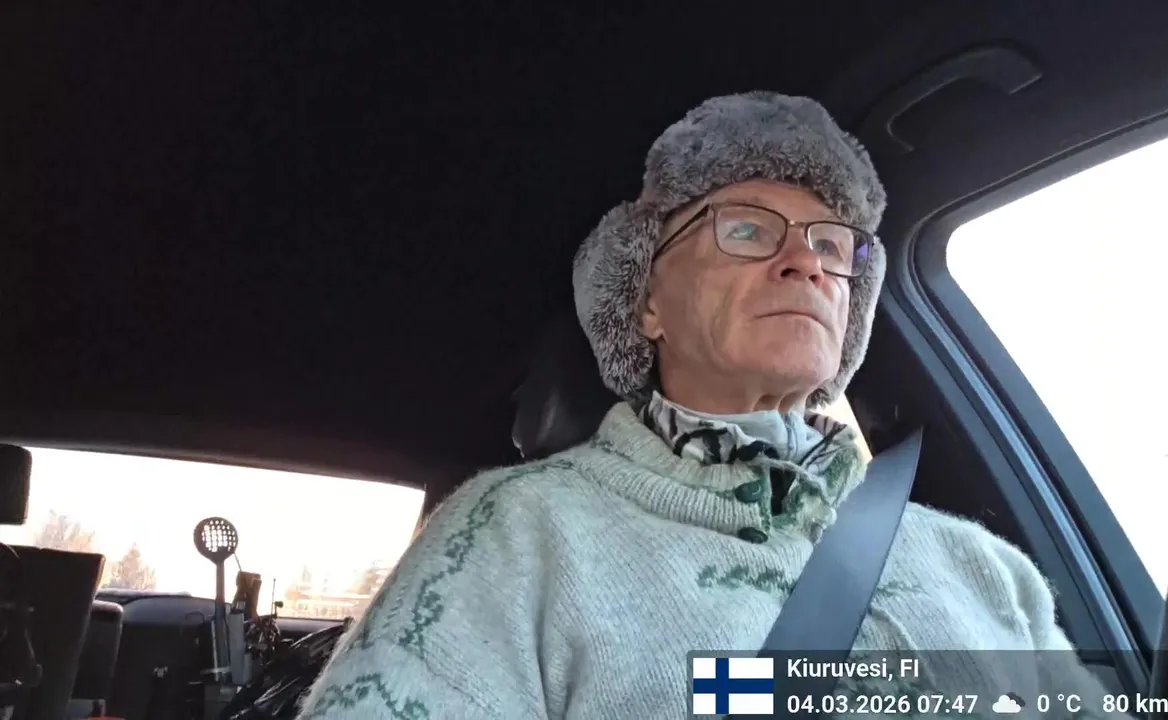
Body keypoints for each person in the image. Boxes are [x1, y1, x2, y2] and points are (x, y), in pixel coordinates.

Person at [297, 92, 1120, 719]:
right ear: (646, 300)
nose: (807, 263)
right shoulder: (514, 536)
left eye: (831, 244)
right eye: (747, 231)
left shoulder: (986, 568)